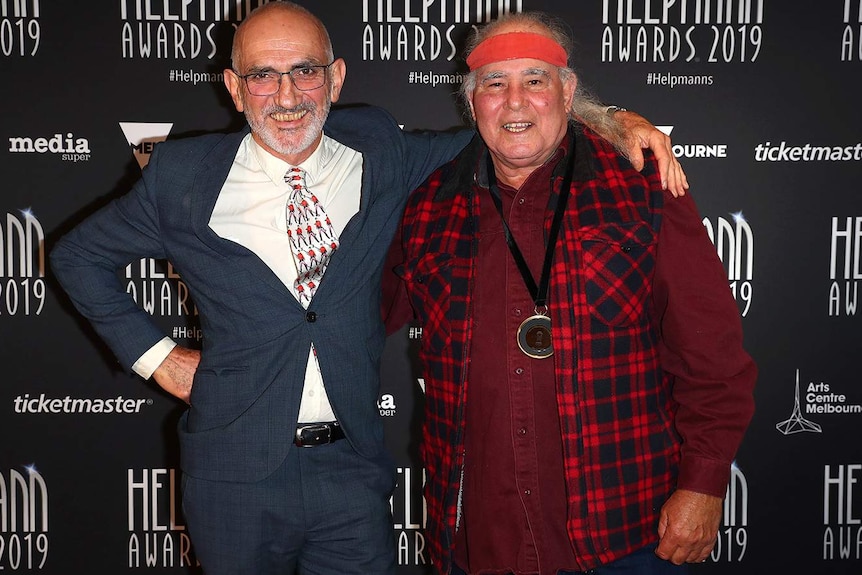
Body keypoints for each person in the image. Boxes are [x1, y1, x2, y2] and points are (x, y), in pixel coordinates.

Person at [50, 3, 686, 575]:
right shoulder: (183, 176)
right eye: (262, 76)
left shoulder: (379, 146)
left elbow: (508, 125)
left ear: (337, 79)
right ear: (235, 90)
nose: (287, 94)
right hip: (233, 475)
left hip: (353, 469)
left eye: (305, 71)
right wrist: (158, 359)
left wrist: (612, 121)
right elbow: (80, 256)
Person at [383, 11, 757, 575]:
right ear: (471, 99)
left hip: (623, 536)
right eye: (494, 83)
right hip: (475, 539)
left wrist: (703, 484)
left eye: (535, 79)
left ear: (568, 90)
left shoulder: (641, 188)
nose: (515, 101)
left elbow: (712, 354)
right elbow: (351, 318)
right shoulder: (426, 205)